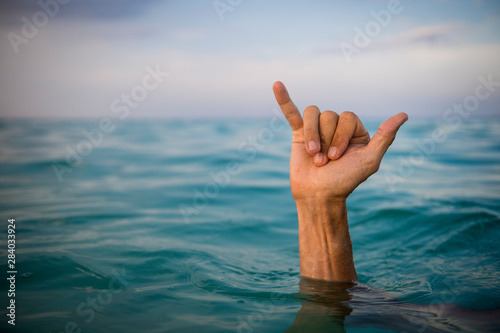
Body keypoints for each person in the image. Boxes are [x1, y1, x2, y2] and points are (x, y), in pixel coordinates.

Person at [272, 81, 408, 282]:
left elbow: (326, 306)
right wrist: (319, 202)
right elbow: (328, 305)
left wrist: (322, 202)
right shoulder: (423, 313)